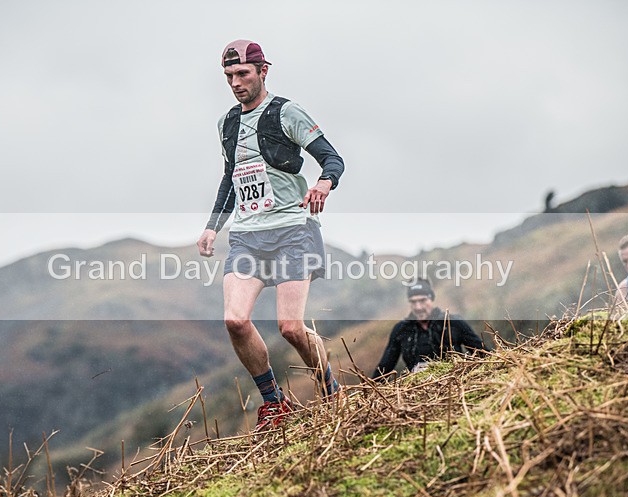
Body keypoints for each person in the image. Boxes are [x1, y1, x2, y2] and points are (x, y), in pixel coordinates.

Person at [196, 40, 345, 432]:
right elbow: (231, 178)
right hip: (248, 236)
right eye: (229, 76)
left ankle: (330, 391)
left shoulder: (286, 112)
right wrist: (213, 225)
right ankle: (275, 403)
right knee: (235, 320)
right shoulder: (226, 123)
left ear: (263, 71)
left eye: (243, 74)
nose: (235, 83)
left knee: (291, 328)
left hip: (293, 230)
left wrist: (325, 183)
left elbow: (332, 158)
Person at [372, 279, 485, 380]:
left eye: (422, 300)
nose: (418, 307)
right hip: (414, 393)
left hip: (453, 387)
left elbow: (484, 354)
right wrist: (367, 391)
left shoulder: (453, 323)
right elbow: (384, 369)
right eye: (413, 302)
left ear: (431, 298)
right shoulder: (402, 330)